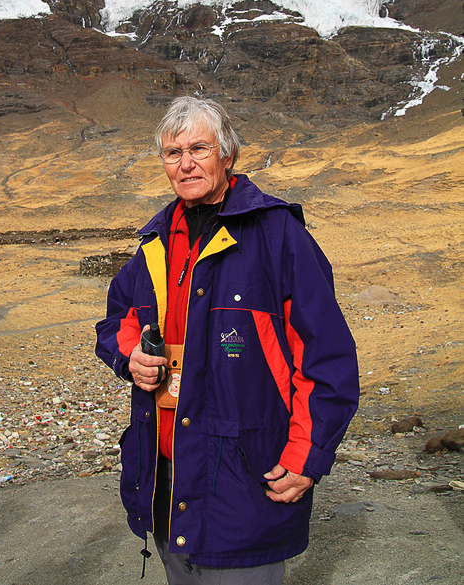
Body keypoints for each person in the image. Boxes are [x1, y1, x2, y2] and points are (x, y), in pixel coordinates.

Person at [95, 96, 359, 583]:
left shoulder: (277, 233)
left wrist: (307, 456)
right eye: (173, 153)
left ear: (228, 155)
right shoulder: (155, 241)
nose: (186, 163)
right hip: (167, 479)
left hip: (243, 481)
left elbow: (328, 359)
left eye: (199, 148)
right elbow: (116, 319)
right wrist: (129, 354)